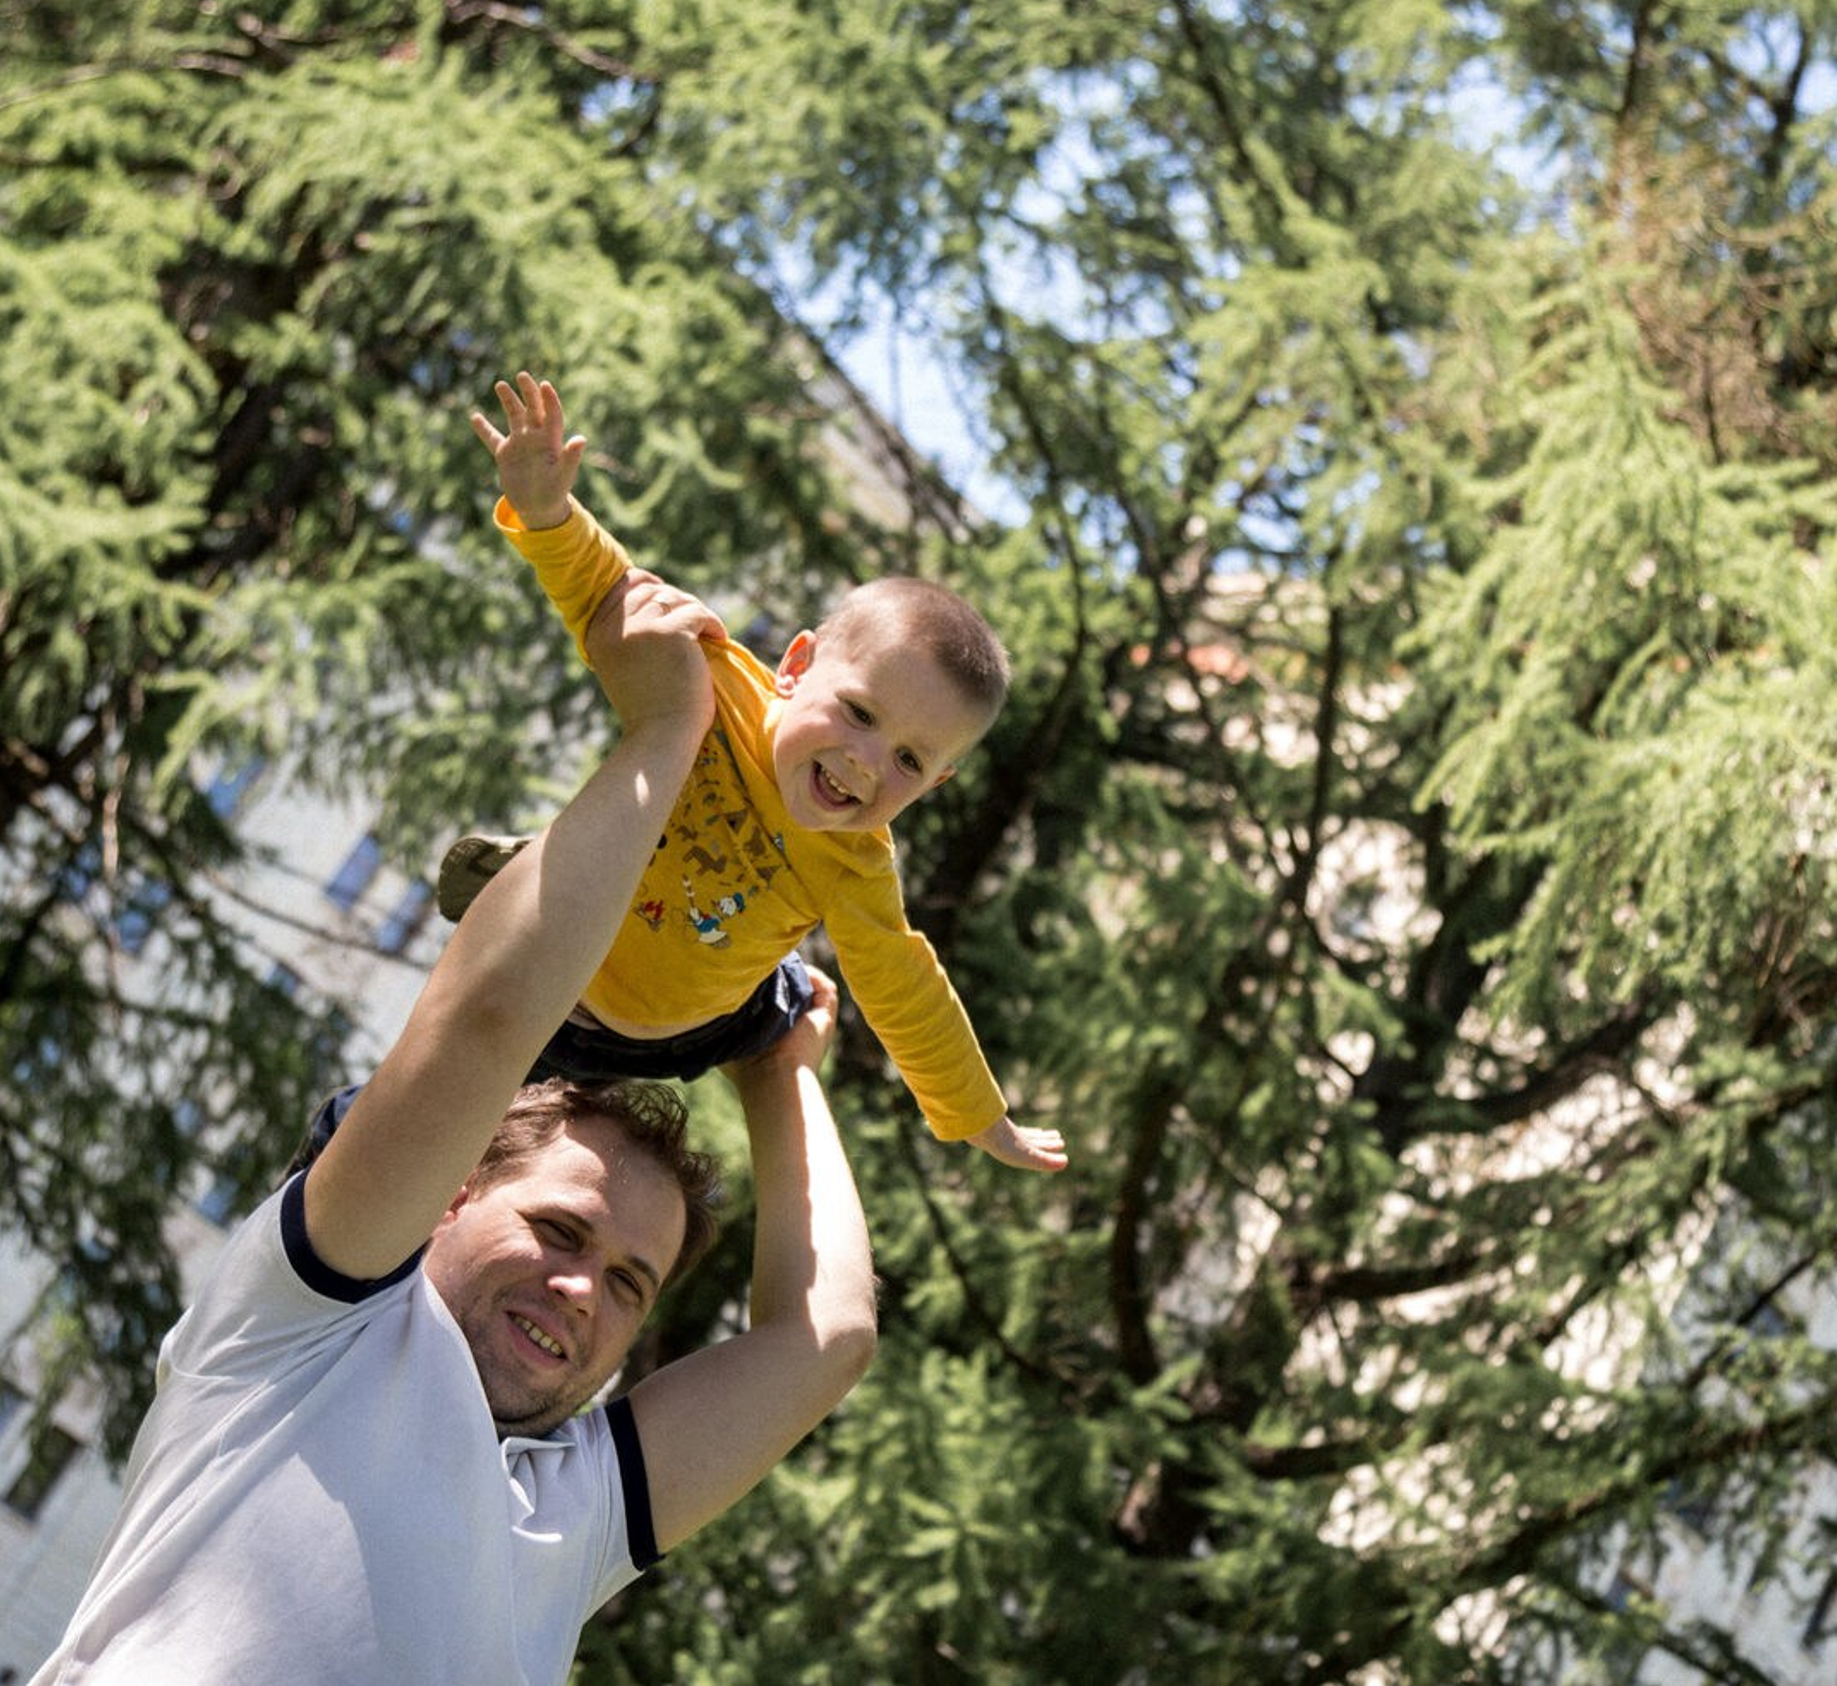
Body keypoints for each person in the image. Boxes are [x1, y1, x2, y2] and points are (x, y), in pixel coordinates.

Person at [31, 575, 877, 1686]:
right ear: (452, 1195)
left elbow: (826, 1342)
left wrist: (778, 1071)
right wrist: (671, 731)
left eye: (629, 1283)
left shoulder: (566, 1519)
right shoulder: (309, 1328)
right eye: (563, 1232)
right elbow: (487, 1022)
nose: (584, 1292)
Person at [452, 370, 1068, 1175]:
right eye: (859, 712)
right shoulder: (715, 683)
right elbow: (609, 594)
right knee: (461, 1130)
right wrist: (546, 510)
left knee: (786, 1003)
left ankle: (781, 1001)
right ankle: (507, 873)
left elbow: (907, 991)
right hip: (554, 970)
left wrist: (983, 1121)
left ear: (933, 786)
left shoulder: (856, 863)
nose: (864, 761)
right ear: (795, 663)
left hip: (673, 1033)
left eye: (910, 761)